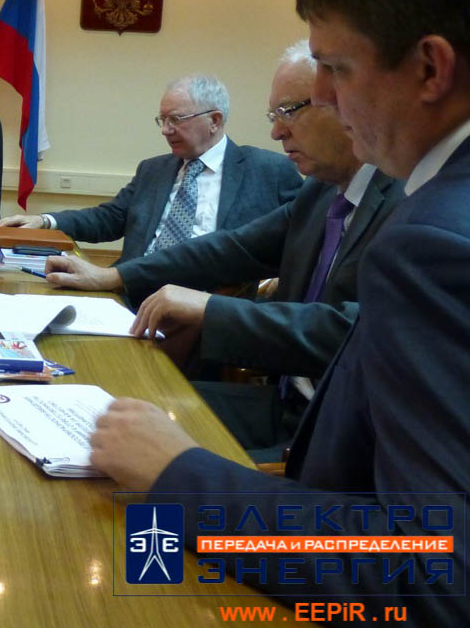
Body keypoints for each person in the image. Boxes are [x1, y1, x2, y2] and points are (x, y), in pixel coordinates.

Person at [90, 0, 470, 620]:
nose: (323, 99)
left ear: (430, 69)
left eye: (336, 69)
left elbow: (432, 575)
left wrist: (179, 474)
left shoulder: (434, 242)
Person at [44, 41, 402, 457]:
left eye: (289, 111)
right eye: (273, 115)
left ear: (345, 102)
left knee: (131, 462)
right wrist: (116, 275)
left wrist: (210, 309)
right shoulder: (320, 194)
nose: (276, 131)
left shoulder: (408, 201)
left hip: (336, 436)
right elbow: (232, 248)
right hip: (280, 405)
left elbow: (354, 330)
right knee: (107, 414)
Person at [0, 74, 300, 260]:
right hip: (133, 292)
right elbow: (109, 218)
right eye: (162, 120)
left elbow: (302, 242)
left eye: (176, 120)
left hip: (208, 303)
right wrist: (45, 220)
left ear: (215, 120)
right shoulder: (153, 170)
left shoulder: (269, 172)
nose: (165, 130)